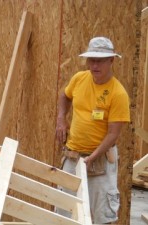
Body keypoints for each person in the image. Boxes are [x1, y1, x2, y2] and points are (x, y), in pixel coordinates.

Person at [55, 37, 130, 224]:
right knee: (63, 211)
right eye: (91, 60)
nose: (94, 65)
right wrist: (61, 119)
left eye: (100, 60)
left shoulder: (118, 93)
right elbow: (65, 96)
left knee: (101, 216)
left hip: (101, 161)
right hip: (73, 157)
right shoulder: (79, 79)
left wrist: (92, 157)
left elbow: (113, 135)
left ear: (111, 60)